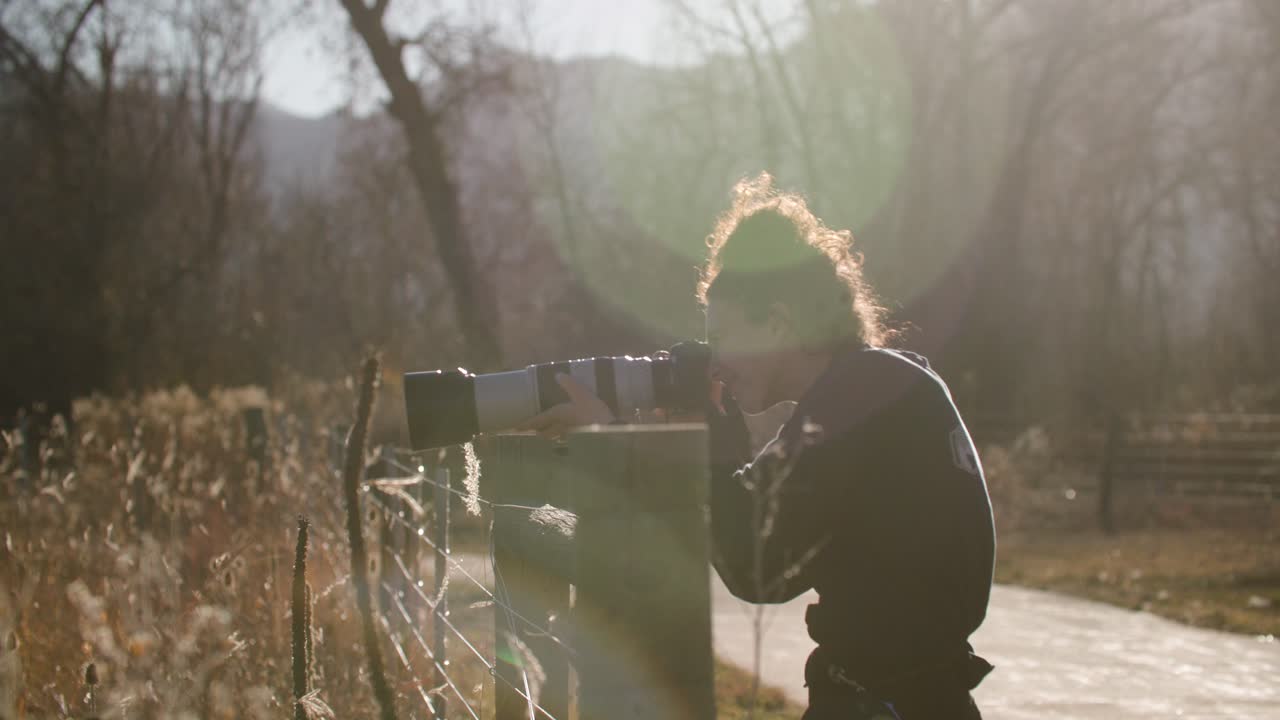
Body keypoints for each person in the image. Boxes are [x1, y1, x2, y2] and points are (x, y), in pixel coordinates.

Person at [519, 173, 995, 720]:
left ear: (777, 323)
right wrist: (699, 434)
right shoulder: (880, 387)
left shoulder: (861, 393)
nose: (716, 363)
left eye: (722, 339)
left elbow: (758, 565)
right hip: (906, 698)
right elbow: (761, 541)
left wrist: (620, 438)